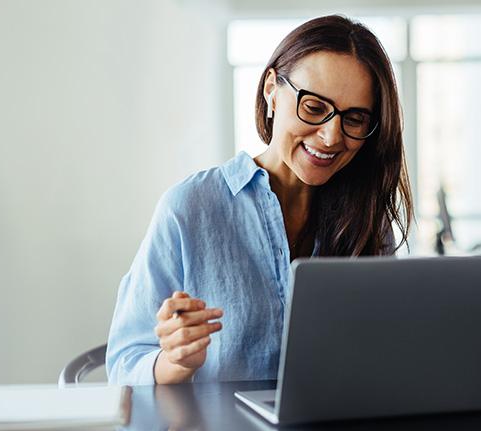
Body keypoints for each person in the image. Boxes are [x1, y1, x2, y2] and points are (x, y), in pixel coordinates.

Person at [106, 15, 413, 385]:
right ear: (271, 89)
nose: (332, 137)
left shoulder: (365, 217)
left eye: (355, 118)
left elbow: (382, 352)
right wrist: (176, 362)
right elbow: (124, 364)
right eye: (314, 108)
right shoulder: (190, 208)